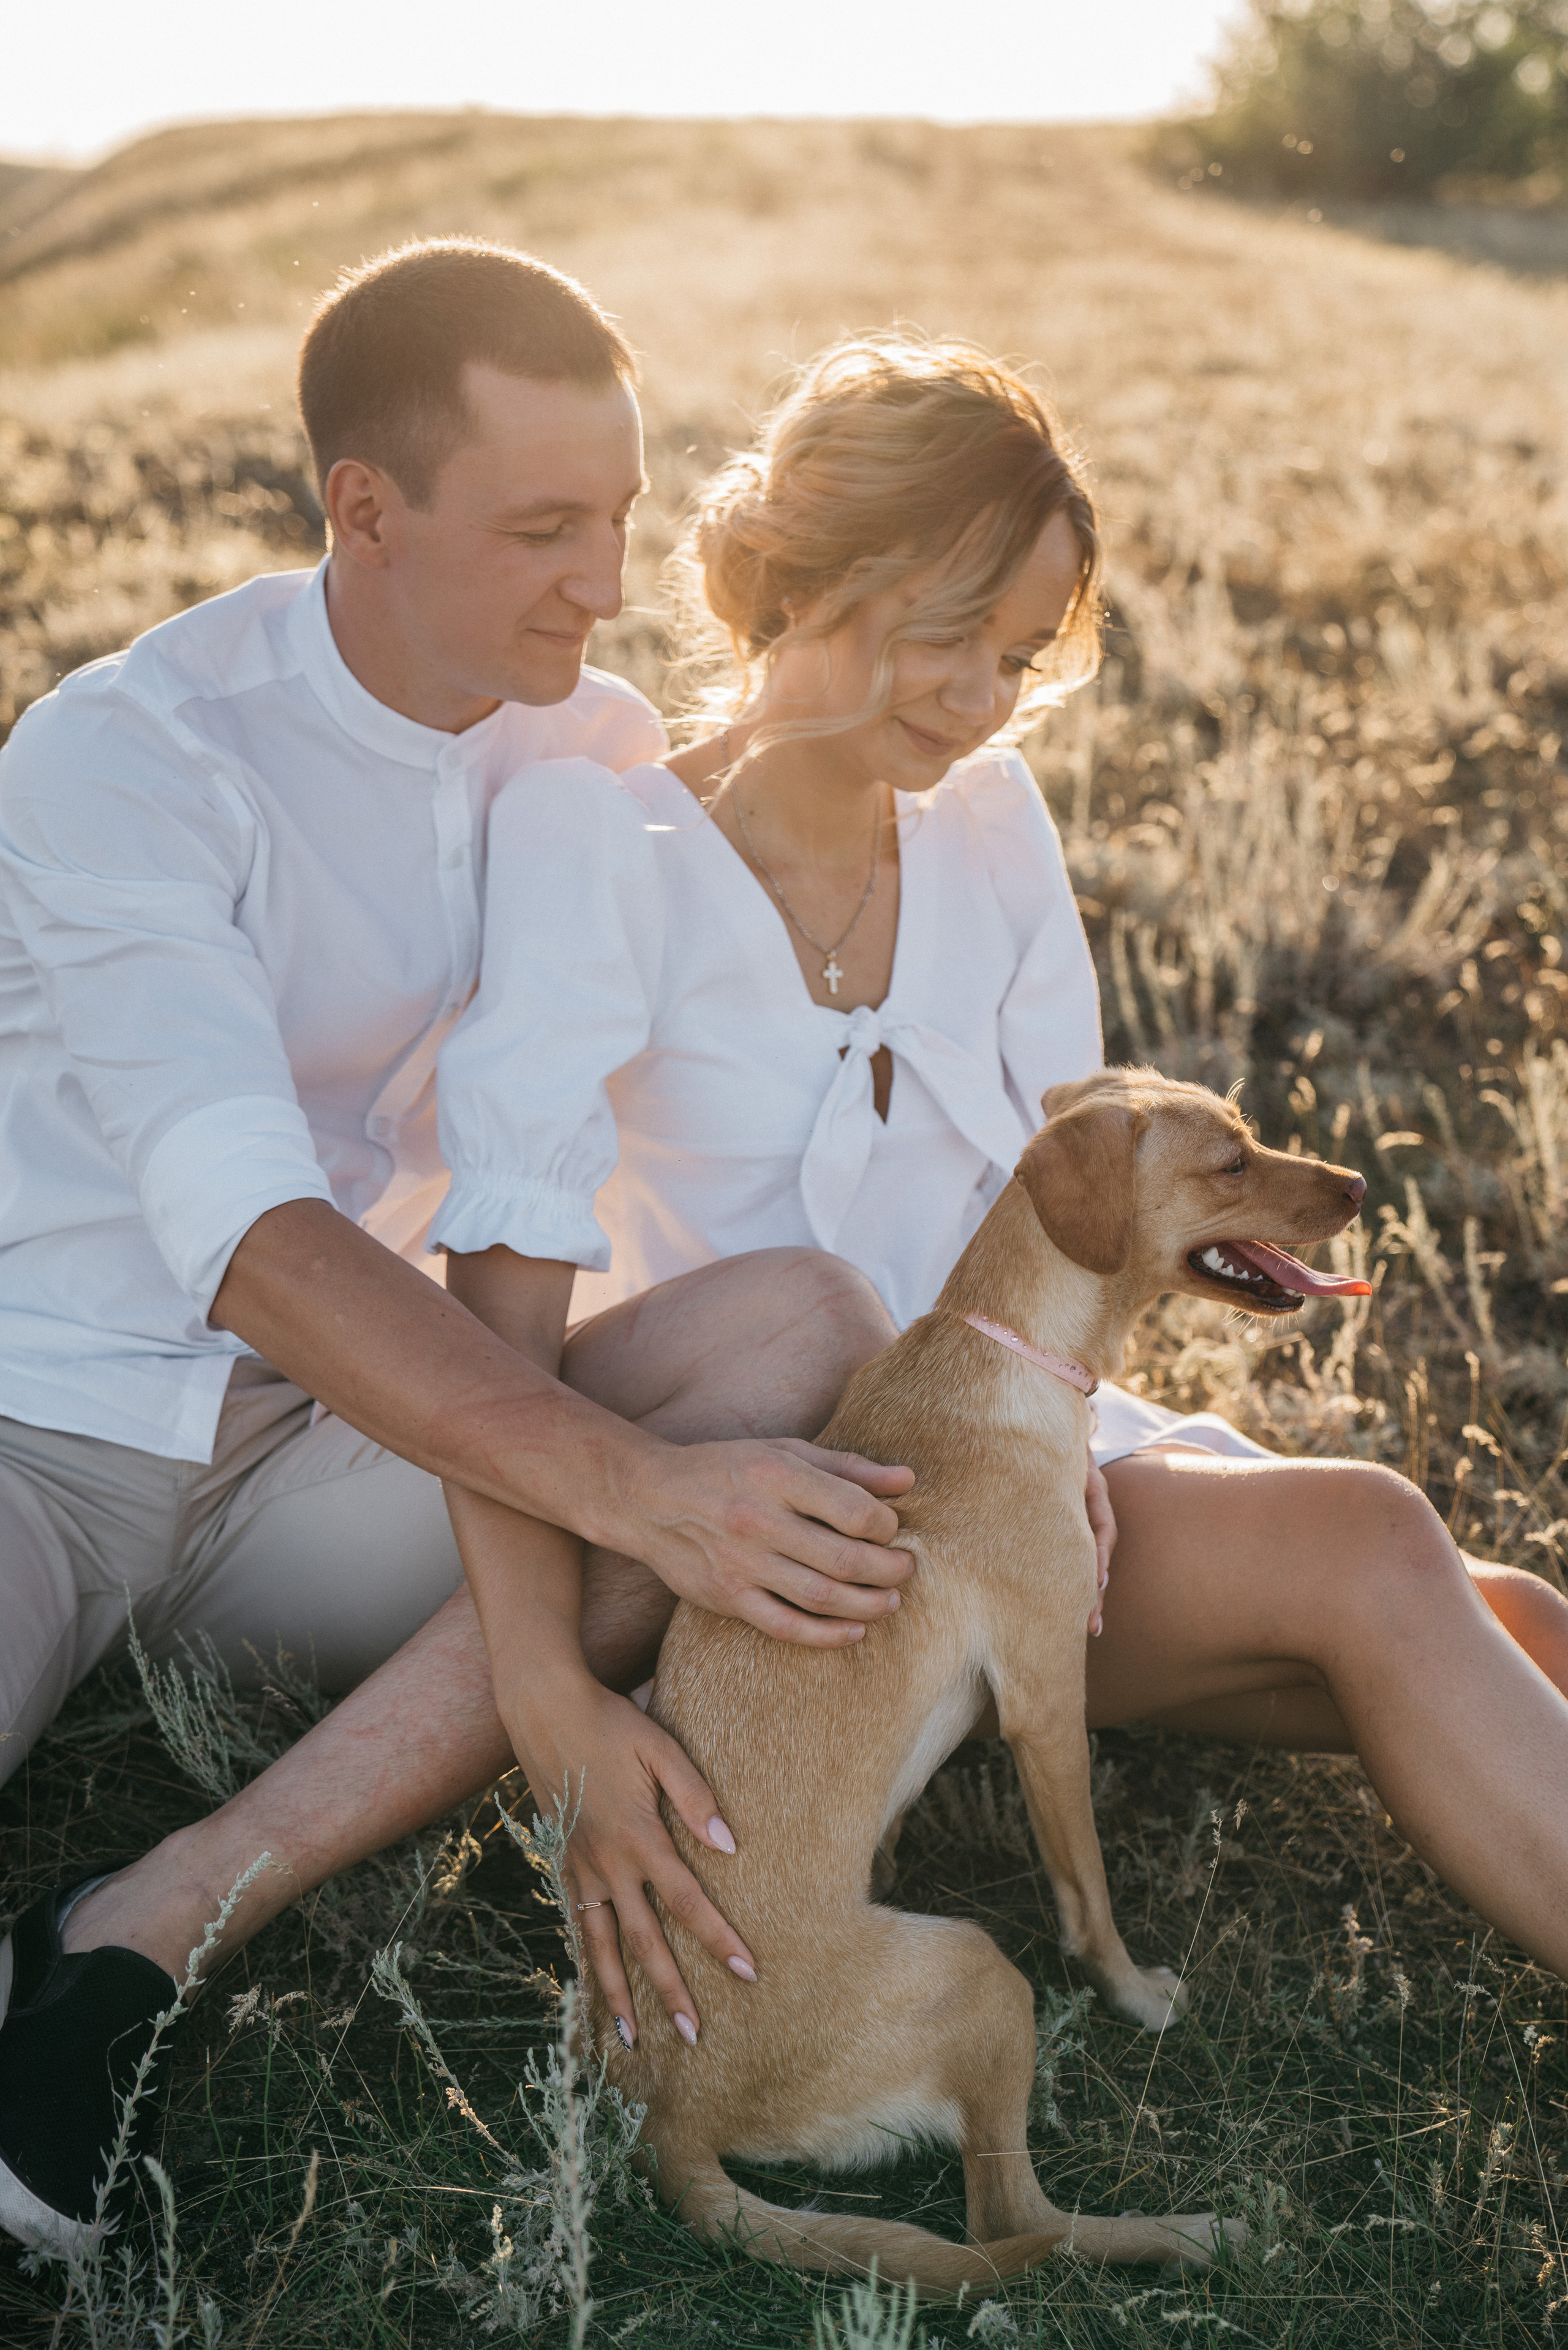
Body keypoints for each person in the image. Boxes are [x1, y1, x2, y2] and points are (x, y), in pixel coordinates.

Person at [10, 317, 1568, 2258]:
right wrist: (552, 1669)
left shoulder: (934, 806)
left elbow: (1091, 1188)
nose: (986, 700)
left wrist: (1090, 1424)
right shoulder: (527, 812)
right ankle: (144, 1936)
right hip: (731, 1471)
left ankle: (156, 1921)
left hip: (962, 1434)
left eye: (1021, 656)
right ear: (823, 571)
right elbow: (405, 1265)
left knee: (1488, 1600)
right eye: (952, 637)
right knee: (1371, 1543)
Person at [0, 244, 916, 2257]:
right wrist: (640, 1507)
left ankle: (159, 1914)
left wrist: (554, 1681)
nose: (604, 584)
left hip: (334, 1451)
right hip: (37, 1424)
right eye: (541, 529)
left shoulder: (574, 751)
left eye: (620, 516)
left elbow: (515, 1207)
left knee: (804, 1323)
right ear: (364, 512)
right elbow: (247, 1237)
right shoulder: (128, 757)